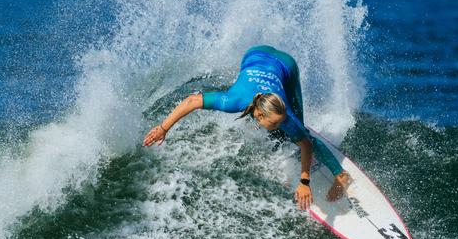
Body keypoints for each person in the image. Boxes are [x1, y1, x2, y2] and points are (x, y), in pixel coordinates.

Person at [142, 45, 351, 210]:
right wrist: (163, 127)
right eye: (276, 121)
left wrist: (304, 182)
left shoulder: (281, 110)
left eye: (280, 119)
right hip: (254, 55)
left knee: (300, 131)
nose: (282, 122)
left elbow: (305, 143)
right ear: (258, 114)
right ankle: (283, 138)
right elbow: (191, 101)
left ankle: (340, 175)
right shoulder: (233, 101)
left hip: (286, 66)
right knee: (284, 133)